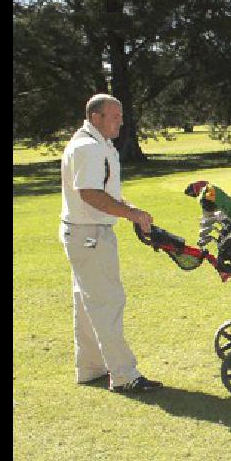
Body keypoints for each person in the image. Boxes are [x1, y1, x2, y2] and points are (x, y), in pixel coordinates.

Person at [59, 94, 163, 392]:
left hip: (82, 233)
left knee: (87, 301)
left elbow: (104, 192)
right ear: (96, 118)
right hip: (89, 234)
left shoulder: (96, 143)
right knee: (107, 302)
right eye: (114, 116)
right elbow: (90, 194)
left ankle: (91, 368)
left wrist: (131, 211)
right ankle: (124, 375)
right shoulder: (88, 148)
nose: (121, 121)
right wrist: (131, 214)